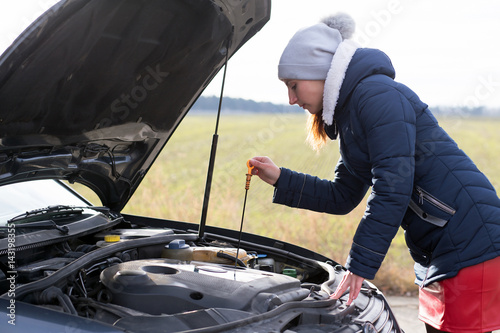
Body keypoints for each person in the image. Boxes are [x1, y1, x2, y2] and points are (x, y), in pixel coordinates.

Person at [249, 13, 500, 333]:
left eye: (293, 85)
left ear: (318, 73)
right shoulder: (350, 114)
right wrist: (281, 178)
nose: (291, 99)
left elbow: (393, 185)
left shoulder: (376, 95)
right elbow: (342, 196)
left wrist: (359, 265)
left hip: (470, 237)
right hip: (439, 245)